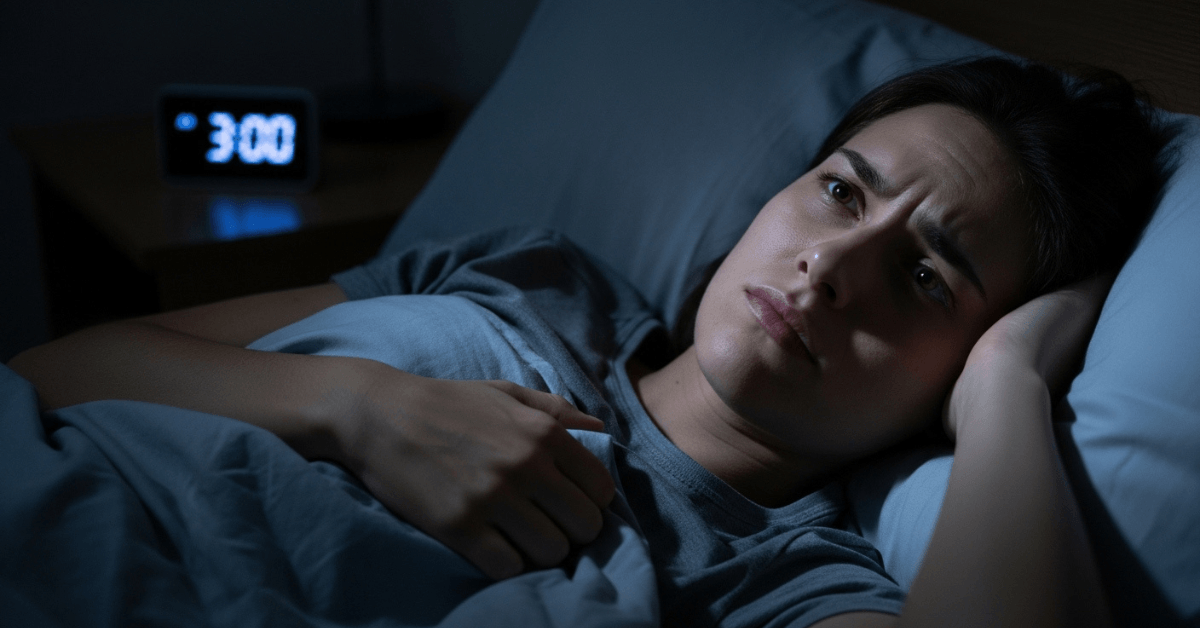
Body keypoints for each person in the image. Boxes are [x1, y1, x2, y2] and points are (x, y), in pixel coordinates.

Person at [8, 57, 1172, 627]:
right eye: (840, 191)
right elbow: (52, 366)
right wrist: (352, 404)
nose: (831, 267)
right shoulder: (537, 274)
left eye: (924, 277)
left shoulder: (784, 580)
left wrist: (1012, 381)